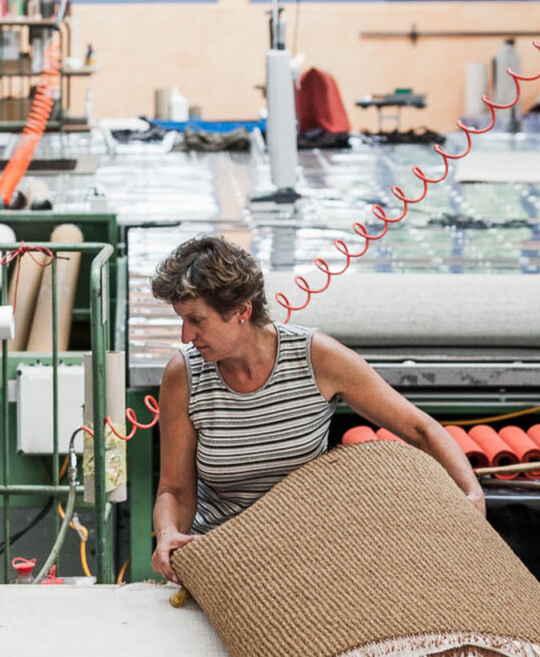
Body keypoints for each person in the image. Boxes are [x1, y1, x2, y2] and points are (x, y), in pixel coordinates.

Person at [147, 235, 483, 582]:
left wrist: (471, 492)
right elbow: (175, 490)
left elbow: (420, 428)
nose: (186, 336)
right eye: (182, 320)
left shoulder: (316, 358)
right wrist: (169, 534)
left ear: (241, 312)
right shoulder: (184, 376)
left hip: (308, 558)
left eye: (196, 320)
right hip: (220, 558)